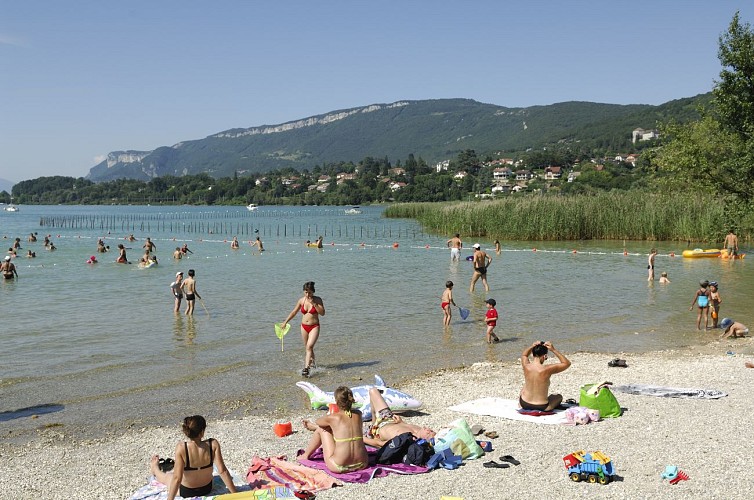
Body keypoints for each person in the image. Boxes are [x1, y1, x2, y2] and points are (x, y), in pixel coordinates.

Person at [149, 415, 236, 500]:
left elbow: (177, 478)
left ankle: (155, 469)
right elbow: (223, 471)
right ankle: (158, 469)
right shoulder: (213, 444)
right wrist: (236, 494)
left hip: (186, 491)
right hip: (207, 488)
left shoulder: (182, 448)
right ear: (202, 432)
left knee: (169, 477)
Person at [299, 386, 368, 473]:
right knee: (338, 430)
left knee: (321, 429)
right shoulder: (358, 414)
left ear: (337, 401)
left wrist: (323, 422)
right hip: (362, 463)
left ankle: (305, 455)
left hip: (339, 466)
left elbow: (319, 422)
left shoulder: (334, 418)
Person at [362, 387, 435, 448]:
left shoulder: (406, 439)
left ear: (423, 440)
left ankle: (372, 425)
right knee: (373, 391)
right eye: (431, 430)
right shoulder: (418, 429)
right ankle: (373, 419)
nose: (428, 428)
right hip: (387, 417)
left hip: (375, 432)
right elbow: (405, 427)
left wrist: (362, 439)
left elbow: (380, 444)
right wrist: (401, 422)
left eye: (429, 432)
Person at [281, 281, 325, 377]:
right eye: (305, 292)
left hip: (314, 326)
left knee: (309, 346)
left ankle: (306, 368)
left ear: (313, 291)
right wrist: (285, 322)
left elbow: (322, 313)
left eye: (309, 292)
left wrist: (314, 304)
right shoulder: (301, 300)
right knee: (308, 348)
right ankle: (313, 366)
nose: (307, 294)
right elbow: (294, 312)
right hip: (304, 327)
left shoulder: (318, 300)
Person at [520, 341, 571, 411]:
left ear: (532, 354)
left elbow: (524, 355)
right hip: (542, 406)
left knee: (524, 387)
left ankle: (522, 402)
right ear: (544, 356)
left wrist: (532, 346)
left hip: (524, 403)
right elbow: (566, 363)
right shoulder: (547, 369)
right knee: (558, 396)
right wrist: (553, 350)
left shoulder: (526, 366)